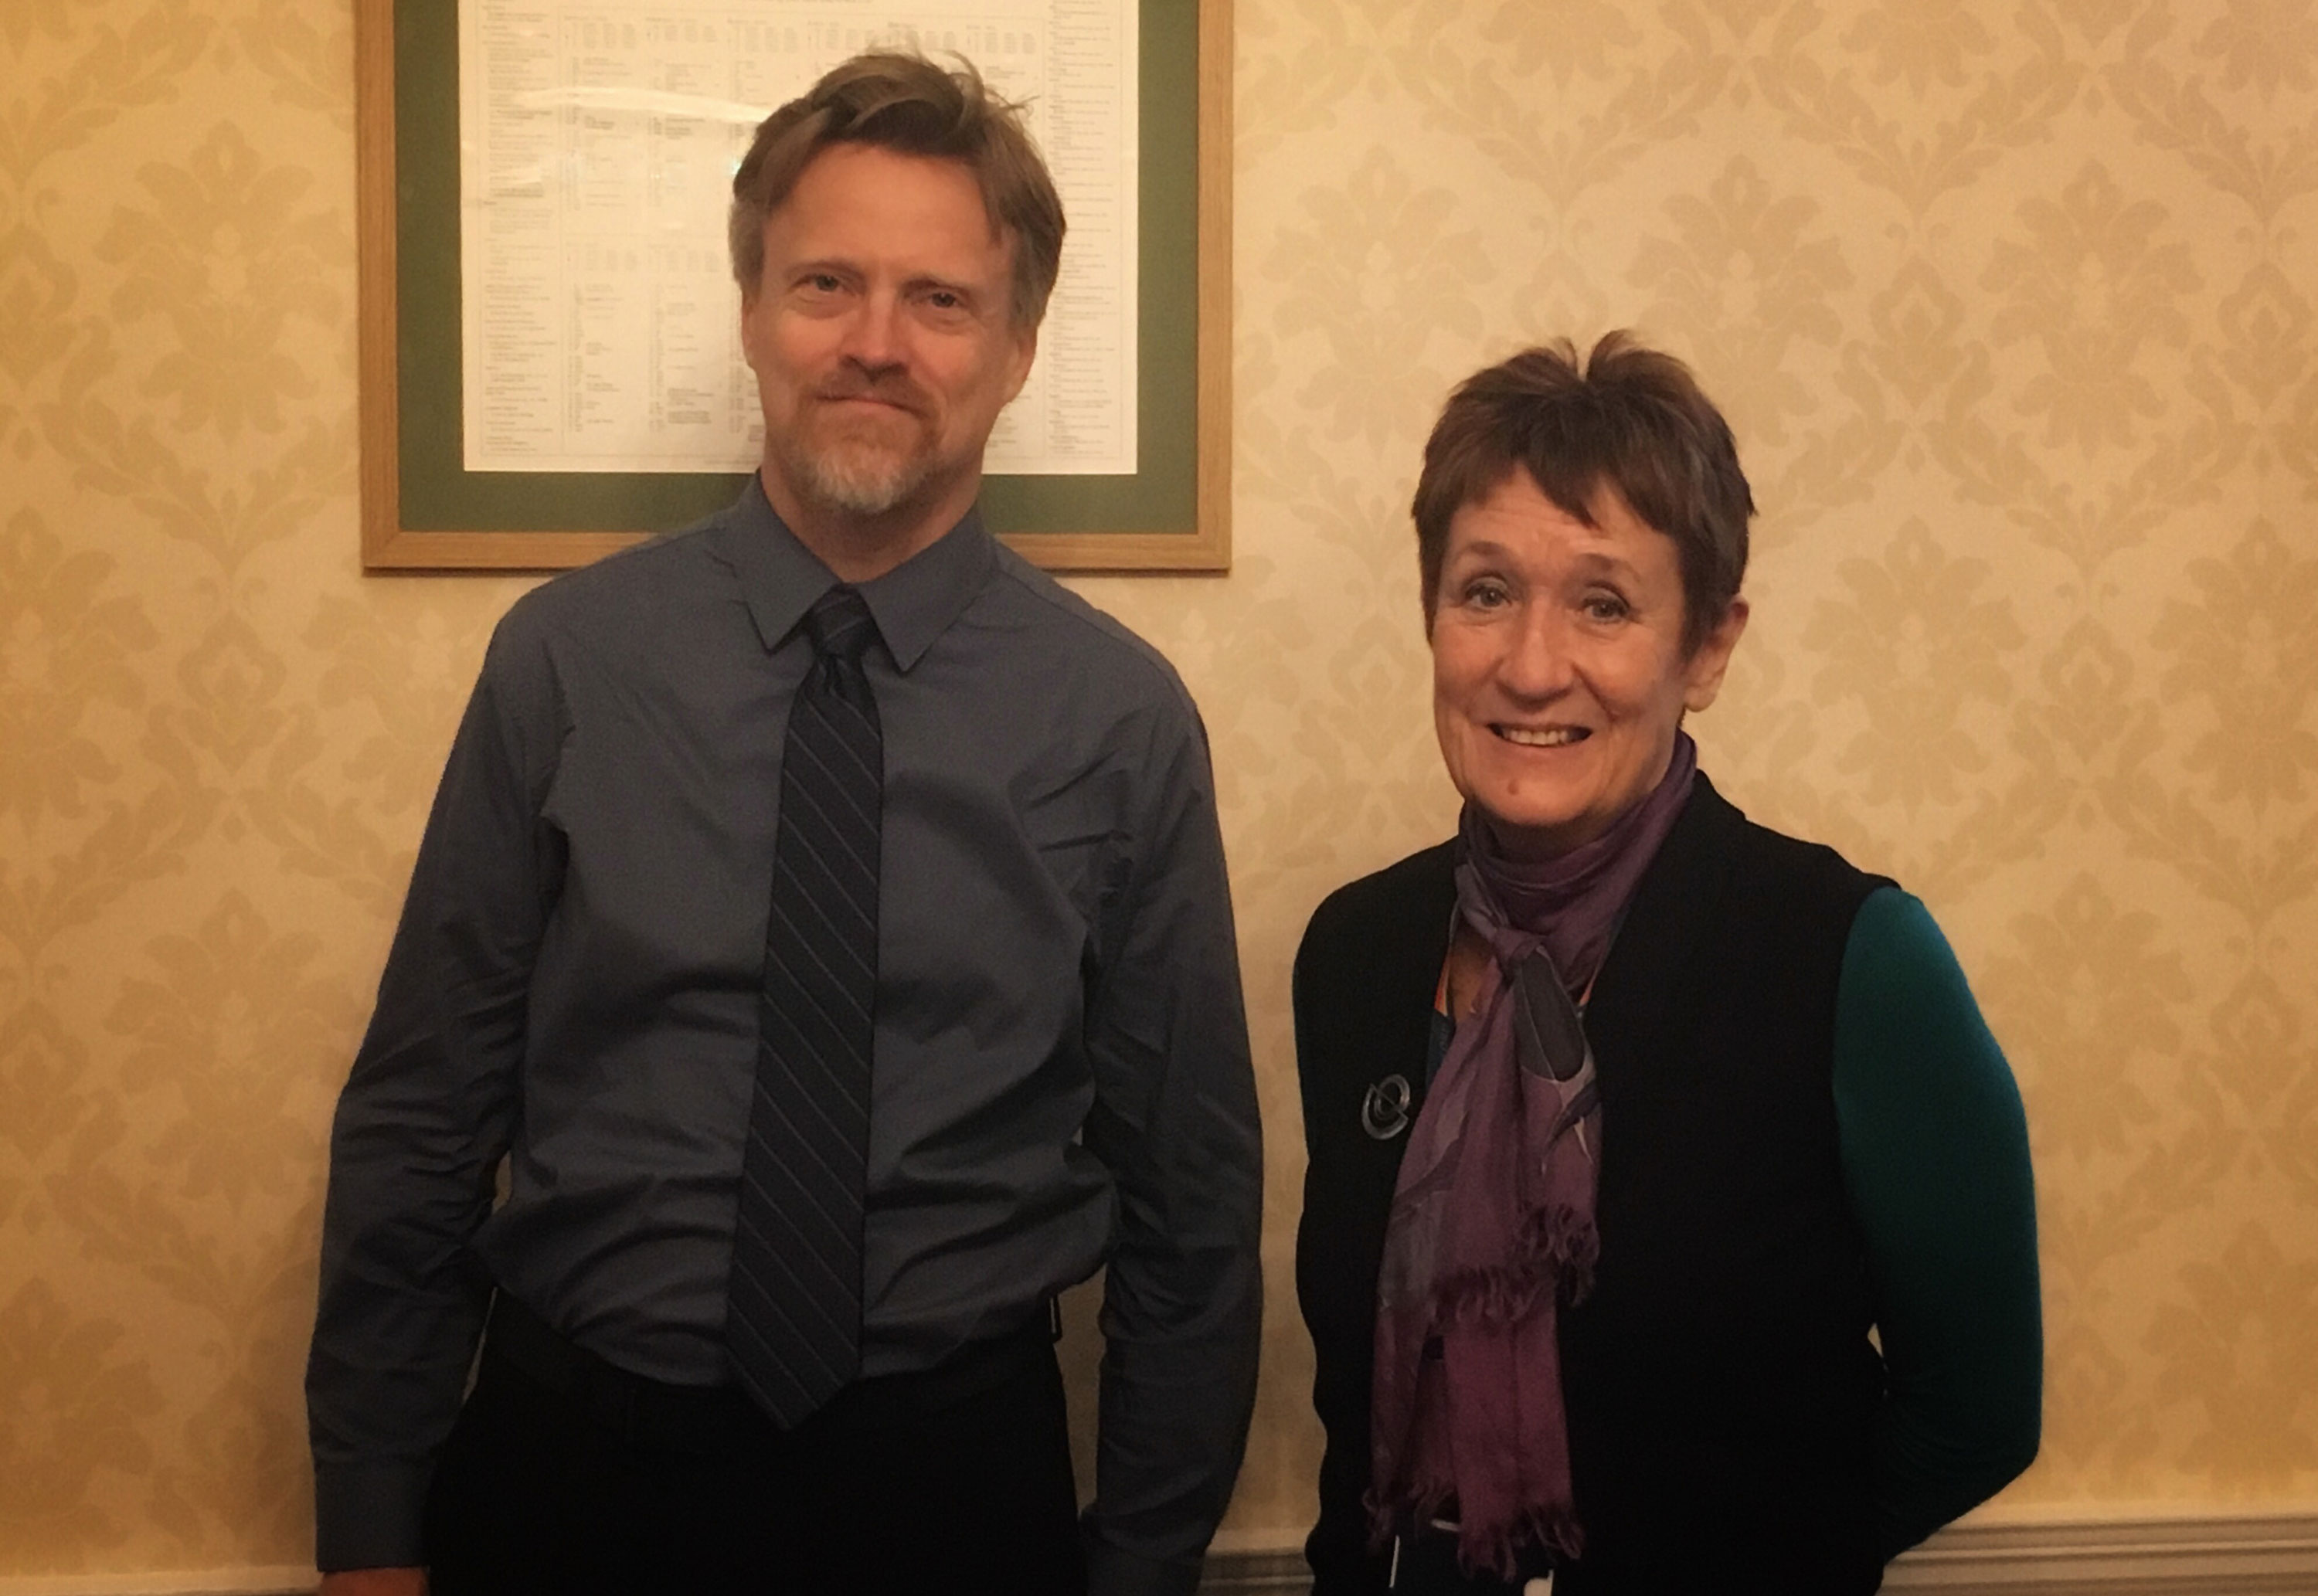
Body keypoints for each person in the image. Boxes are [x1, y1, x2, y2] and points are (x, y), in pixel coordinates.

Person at [307, 53, 1260, 1596]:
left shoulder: (1120, 721)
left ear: (1018, 348)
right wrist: (367, 1524)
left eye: (941, 300)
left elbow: (1193, 1193)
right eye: (828, 282)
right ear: (752, 308)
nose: (876, 344)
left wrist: (1147, 1559)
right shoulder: (566, 665)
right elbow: (423, 1112)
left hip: (954, 1493)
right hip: (569, 1478)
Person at [1293, 335, 2041, 1595]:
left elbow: (1976, 1411)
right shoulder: (1360, 951)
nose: (1532, 665)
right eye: (1485, 591)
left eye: (1604, 602)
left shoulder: (1851, 959)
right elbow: (1357, 1414)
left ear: (1706, 646)